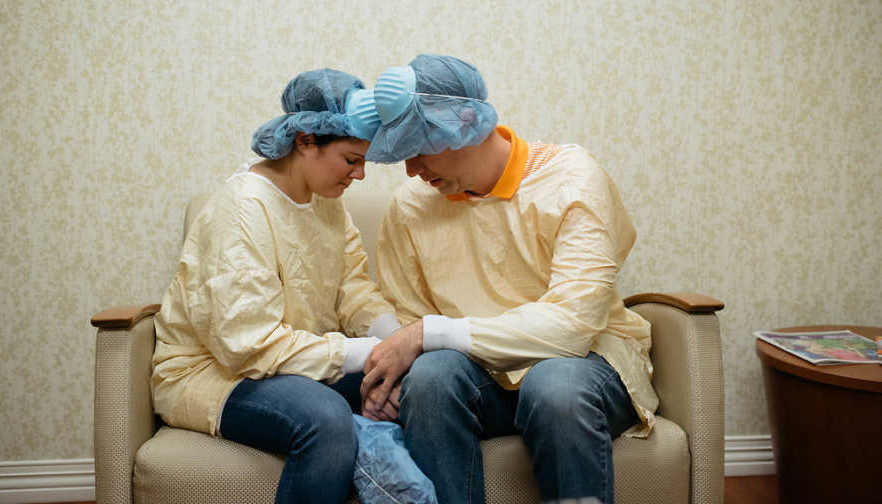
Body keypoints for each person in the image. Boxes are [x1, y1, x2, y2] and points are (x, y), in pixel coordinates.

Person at [359, 54, 659, 504]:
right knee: (431, 377)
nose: (411, 169)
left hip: (584, 365)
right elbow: (410, 323)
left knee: (552, 384)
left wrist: (427, 333)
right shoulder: (411, 206)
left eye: (417, 148)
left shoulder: (572, 179)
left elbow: (572, 328)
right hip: (481, 379)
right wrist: (397, 379)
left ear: (464, 124)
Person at [150, 68, 403, 504]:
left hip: (293, 363)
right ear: (305, 140)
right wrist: (365, 353)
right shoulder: (242, 209)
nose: (360, 175)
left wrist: (396, 344)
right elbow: (247, 344)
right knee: (324, 419)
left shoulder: (327, 205)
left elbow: (353, 292)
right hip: (215, 373)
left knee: (417, 387)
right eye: (351, 160)